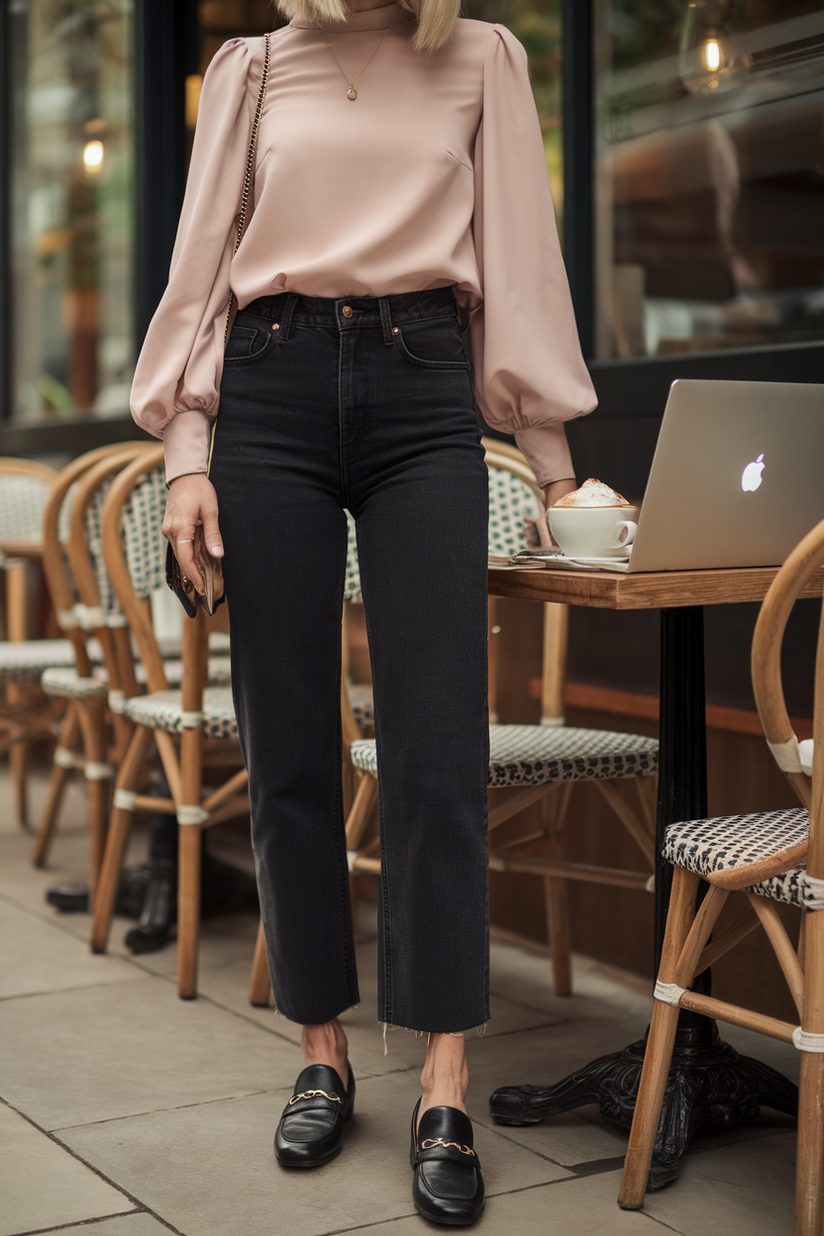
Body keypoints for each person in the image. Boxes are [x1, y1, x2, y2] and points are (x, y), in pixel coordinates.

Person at [130, 0, 595, 1223]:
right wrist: (188, 451)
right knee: (288, 736)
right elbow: (199, 275)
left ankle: (443, 1070)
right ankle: (321, 1050)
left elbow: (519, 263)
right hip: (271, 393)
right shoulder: (249, 68)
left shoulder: (480, 55)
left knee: (437, 743)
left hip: (422, 387)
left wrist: (555, 468)